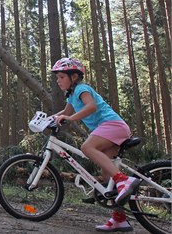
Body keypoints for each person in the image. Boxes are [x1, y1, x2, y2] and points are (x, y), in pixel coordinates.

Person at [51, 57, 140, 232]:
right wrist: (48, 119)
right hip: (109, 130)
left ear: (74, 77)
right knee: (107, 178)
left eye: (61, 77)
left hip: (113, 126)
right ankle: (119, 219)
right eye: (57, 77)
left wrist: (69, 119)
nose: (58, 80)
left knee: (87, 147)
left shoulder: (82, 89)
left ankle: (124, 181)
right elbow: (66, 112)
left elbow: (90, 107)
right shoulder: (72, 95)